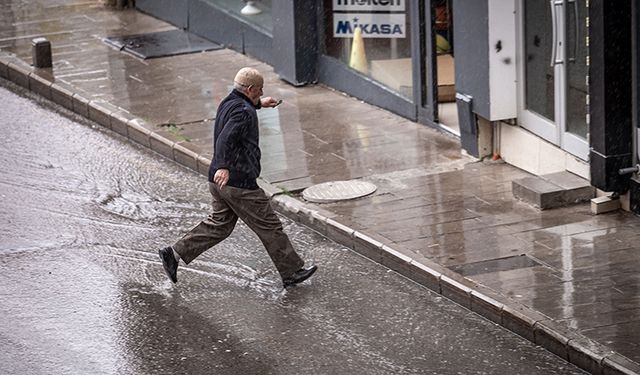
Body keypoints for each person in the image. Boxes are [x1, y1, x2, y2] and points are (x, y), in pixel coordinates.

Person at [158, 67, 317, 288]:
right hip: (238, 182)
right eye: (259, 91)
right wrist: (224, 165)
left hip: (217, 181)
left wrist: (261, 104)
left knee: (219, 225)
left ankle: (173, 254)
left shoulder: (229, 101)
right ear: (250, 89)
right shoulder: (243, 111)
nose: (261, 94)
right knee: (270, 226)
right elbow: (225, 139)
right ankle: (291, 272)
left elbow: (239, 111)